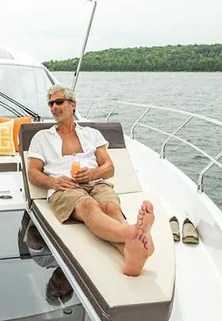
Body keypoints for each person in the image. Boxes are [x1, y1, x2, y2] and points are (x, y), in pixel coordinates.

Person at [26, 85, 155, 276]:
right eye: (50, 104)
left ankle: (130, 254)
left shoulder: (92, 134)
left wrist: (93, 174)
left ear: (73, 105)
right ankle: (134, 233)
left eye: (59, 102)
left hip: (95, 182)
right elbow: (33, 173)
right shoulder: (42, 137)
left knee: (110, 208)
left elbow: (109, 168)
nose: (53, 107)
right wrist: (54, 183)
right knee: (88, 206)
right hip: (64, 187)